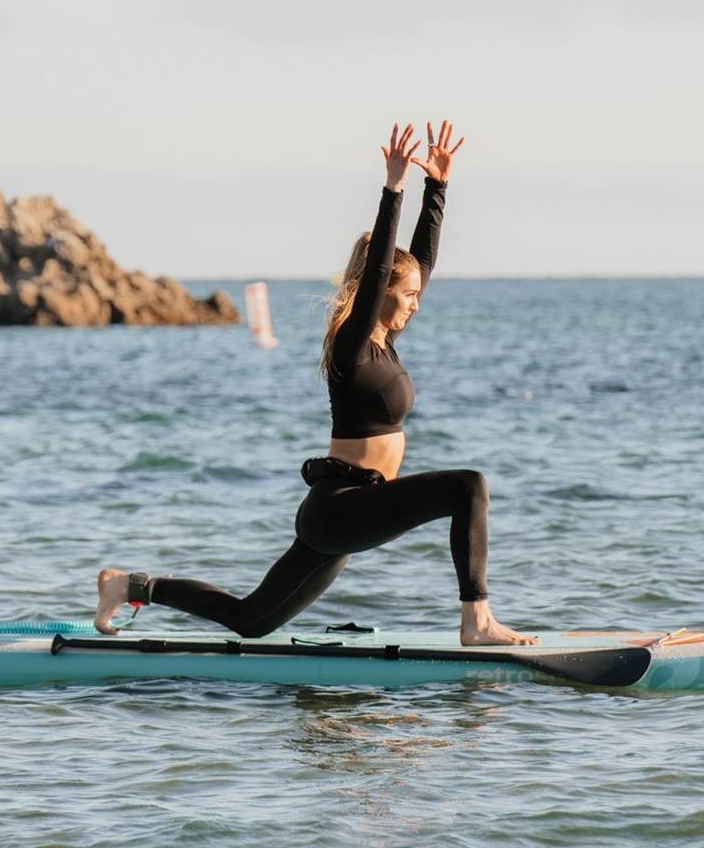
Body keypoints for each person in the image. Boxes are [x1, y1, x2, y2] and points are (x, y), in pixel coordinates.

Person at [94, 120, 537, 646]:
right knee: (470, 486)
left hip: (348, 513)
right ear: (380, 293)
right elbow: (377, 272)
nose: (416, 302)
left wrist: (436, 187)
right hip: (342, 506)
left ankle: (130, 585)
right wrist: (393, 189)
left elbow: (418, 263)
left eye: (419, 293)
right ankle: (477, 620)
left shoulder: (387, 345)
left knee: (252, 620)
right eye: (408, 293)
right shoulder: (352, 344)